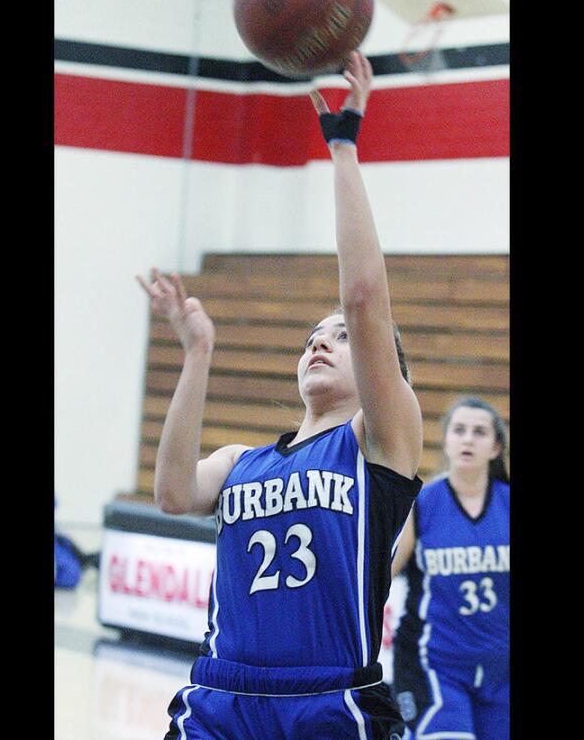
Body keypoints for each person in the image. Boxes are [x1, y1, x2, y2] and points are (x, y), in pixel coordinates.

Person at [138, 51, 421, 740]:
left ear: (387, 375)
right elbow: (173, 493)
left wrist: (344, 146)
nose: (320, 343)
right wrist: (197, 352)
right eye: (310, 338)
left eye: (341, 339)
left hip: (326, 702)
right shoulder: (240, 462)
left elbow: (362, 297)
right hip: (220, 695)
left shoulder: (377, 442)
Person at [388, 397, 510, 739]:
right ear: (446, 439)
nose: (468, 439)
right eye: (459, 430)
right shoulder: (422, 505)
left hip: (501, 672)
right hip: (434, 667)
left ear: (495, 446)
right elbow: (378, 578)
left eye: (479, 432)